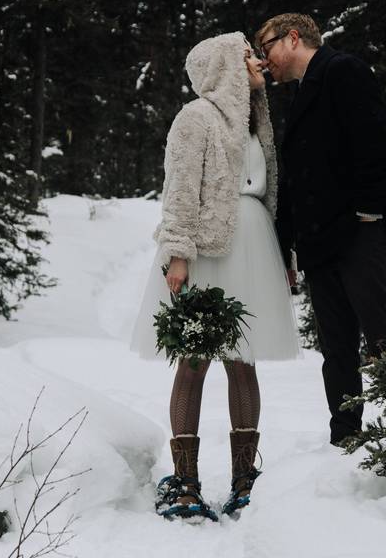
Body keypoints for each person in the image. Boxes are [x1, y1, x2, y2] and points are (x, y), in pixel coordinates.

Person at [130, 32, 300, 521]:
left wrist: (284, 254)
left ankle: (246, 477)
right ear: (224, 63)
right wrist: (177, 252)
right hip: (207, 249)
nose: (257, 61)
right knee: (194, 359)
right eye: (247, 53)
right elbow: (179, 189)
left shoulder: (257, 122)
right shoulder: (196, 117)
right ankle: (185, 480)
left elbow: (272, 195)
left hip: (254, 244)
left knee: (242, 361)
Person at [253, 13, 386, 446]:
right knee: (337, 348)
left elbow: (372, 144)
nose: (264, 61)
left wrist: (367, 214)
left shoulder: (342, 70)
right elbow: (296, 180)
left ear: (293, 38)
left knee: (383, 331)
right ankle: (345, 436)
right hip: (320, 243)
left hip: (360, 232)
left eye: (267, 48)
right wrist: (287, 245)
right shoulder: (300, 96)